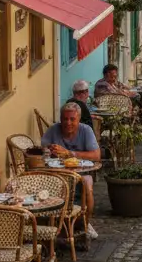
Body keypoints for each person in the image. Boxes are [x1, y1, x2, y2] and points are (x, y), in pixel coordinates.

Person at [41, 101, 101, 238]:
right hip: (57, 174)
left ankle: (85, 224)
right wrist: (49, 151)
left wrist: (70, 153)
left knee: (88, 187)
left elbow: (96, 155)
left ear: (78, 119)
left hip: (81, 173)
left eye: (72, 119)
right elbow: (43, 151)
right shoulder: (53, 130)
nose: (68, 123)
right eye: (65, 119)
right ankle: (52, 224)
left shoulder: (85, 130)